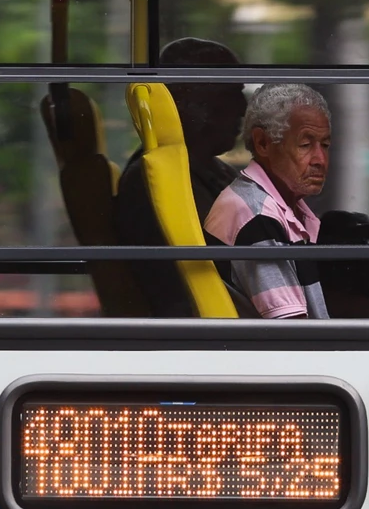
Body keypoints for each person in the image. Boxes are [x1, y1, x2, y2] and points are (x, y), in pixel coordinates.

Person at [113, 37, 247, 317]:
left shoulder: (210, 170)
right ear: (185, 99)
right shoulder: (160, 180)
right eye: (230, 92)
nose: (243, 108)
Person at [204, 84, 332, 319]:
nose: (320, 160)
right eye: (305, 145)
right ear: (263, 143)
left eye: (325, 145)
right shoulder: (255, 215)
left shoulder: (283, 209)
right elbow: (291, 334)